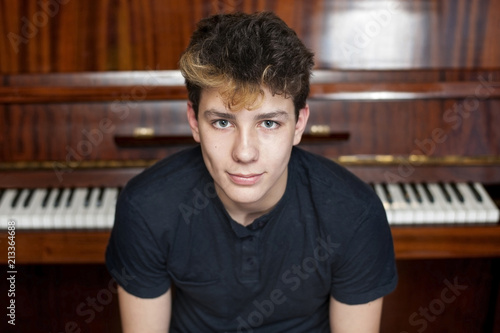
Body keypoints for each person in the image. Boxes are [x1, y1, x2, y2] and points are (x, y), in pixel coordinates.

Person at [105, 11, 397, 333]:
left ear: (299, 124)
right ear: (194, 121)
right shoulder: (146, 206)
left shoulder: (355, 213)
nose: (244, 153)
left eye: (269, 123)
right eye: (222, 122)